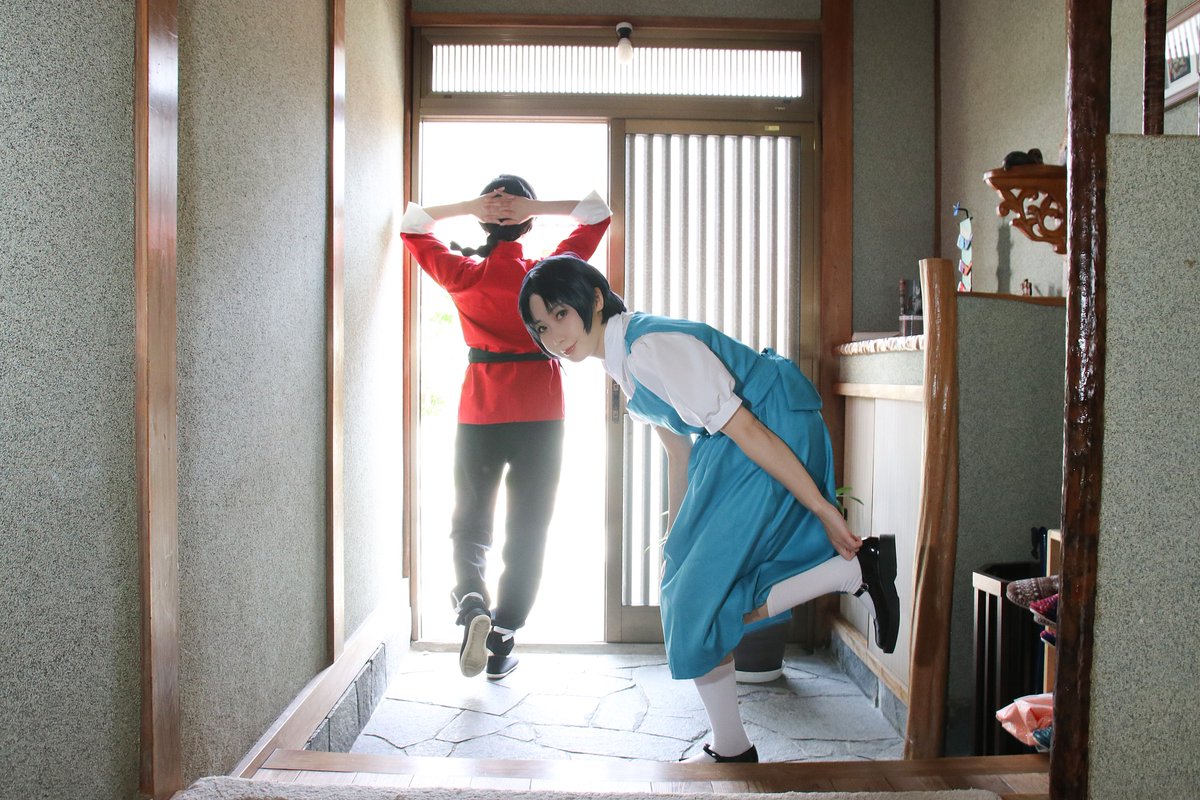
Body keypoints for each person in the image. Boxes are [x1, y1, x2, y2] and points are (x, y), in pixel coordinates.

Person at [517, 254, 900, 762]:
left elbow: (748, 430)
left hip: (768, 429)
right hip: (739, 440)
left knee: (697, 599)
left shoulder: (648, 348)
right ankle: (848, 577)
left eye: (560, 314)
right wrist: (676, 540)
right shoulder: (624, 363)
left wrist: (826, 510)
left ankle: (848, 575)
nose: (555, 336)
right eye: (542, 328)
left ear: (594, 298)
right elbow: (679, 453)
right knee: (692, 591)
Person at [400, 176, 612, 680]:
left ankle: (473, 602)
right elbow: (598, 212)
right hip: (541, 409)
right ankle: (503, 635)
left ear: (482, 222)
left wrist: (474, 205)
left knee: (471, 520)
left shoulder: (463, 274)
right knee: (529, 525)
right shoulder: (545, 276)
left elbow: (412, 226)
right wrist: (529, 207)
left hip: (481, 408)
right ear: (528, 222)